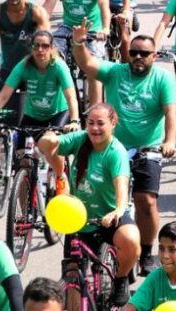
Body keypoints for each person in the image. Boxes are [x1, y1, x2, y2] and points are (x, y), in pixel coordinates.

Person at [72, 23, 176, 276]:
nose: (138, 57)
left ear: (154, 56)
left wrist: (170, 141)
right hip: (113, 148)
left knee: (146, 201)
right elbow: (88, 64)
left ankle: (146, 250)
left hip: (148, 147)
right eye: (134, 53)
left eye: (144, 53)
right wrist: (78, 43)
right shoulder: (116, 71)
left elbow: (171, 112)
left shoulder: (163, 78)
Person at [39, 104, 139, 307]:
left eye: (100, 123)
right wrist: (49, 138)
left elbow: (121, 185)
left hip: (108, 218)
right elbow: (47, 146)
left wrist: (117, 210)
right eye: (90, 123)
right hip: (78, 218)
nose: (94, 128)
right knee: (73, 275)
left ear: (113, 123)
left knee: (130, 239)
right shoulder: (81, 139)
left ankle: (120, 279)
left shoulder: (116, 152)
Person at [0, 29, 79, 144]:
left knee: (52, 144)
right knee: (22, 156)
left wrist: (74, 121)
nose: (40, 50)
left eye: (45, 46)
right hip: (32, 115)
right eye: (36, 46)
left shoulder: (59, 67)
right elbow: (4, 95)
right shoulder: (23, 65)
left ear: (51, 48)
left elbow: (71, 97)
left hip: (57, 114)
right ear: (31, 48)